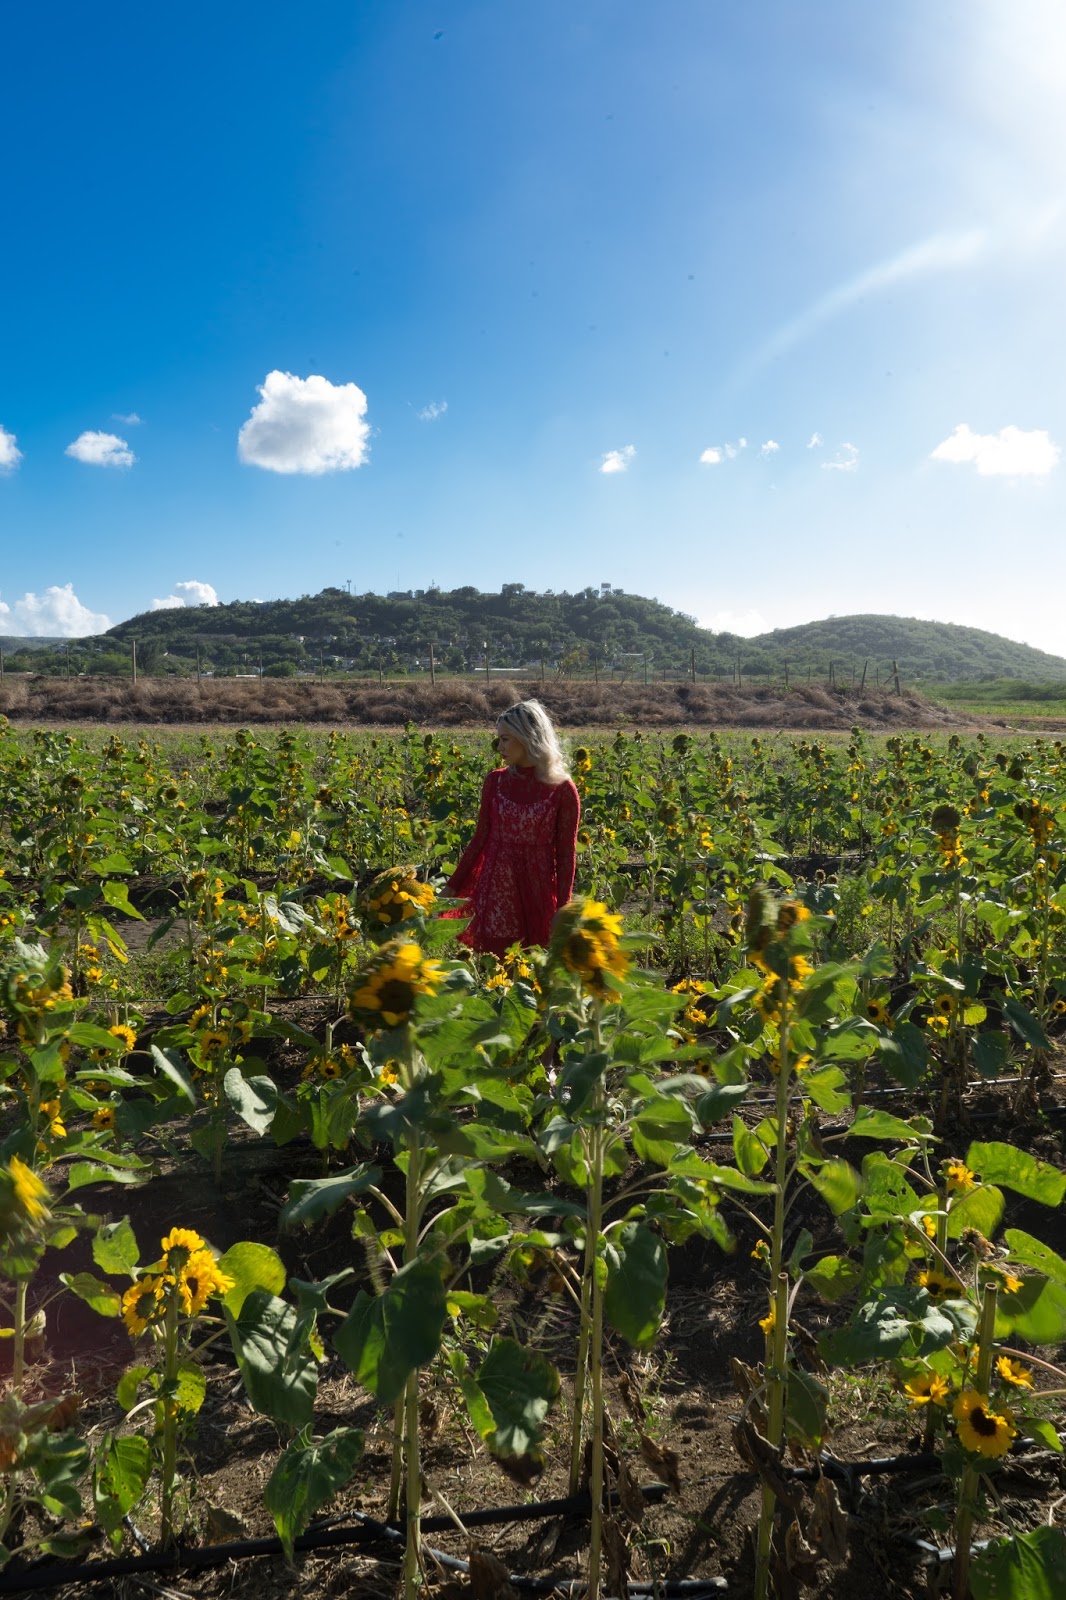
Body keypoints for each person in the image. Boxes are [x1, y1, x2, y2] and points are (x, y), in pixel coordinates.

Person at [445, 700, 580, 956]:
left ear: (527, 737)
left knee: (535, 967)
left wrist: (564, 907)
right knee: (498, 966)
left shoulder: (563, 790)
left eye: (505, 739)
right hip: (497, 889)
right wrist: (453, 886)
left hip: (537, 891)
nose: (500, 747)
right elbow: (480, 838)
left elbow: (566, 855)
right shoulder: (495, 782)